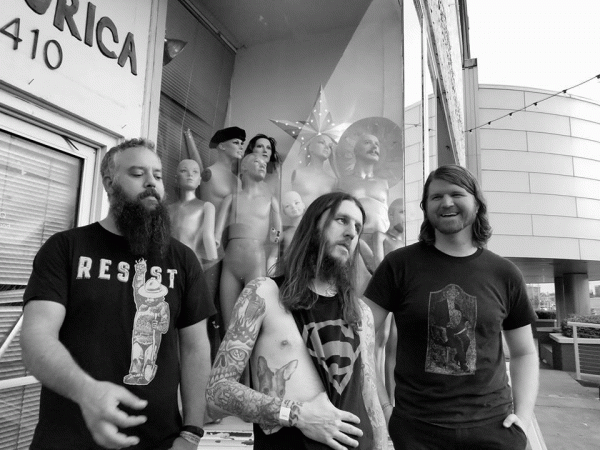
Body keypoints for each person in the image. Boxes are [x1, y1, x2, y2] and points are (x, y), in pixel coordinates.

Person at [21, 138, 215, 450]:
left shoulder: (182, 259)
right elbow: (36, 339)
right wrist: (86, 391)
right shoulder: (65, 248)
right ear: (109, 183)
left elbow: (195, 348)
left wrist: (192, 432)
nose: (151, 182)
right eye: (138, 174)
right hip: (68, 439)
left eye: (157, 175)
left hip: (159, 442)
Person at [363, 164, 539, 450]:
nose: (446, 202)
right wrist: (384, 409)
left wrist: (524, 417)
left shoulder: (504, 273)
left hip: (494, 430)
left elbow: (524, 352)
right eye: (436, 197)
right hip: (416, 432)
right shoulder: (399, 266)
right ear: (426, 207)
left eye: (456, 194)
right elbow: (360, 337)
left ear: (477, 203)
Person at [206, 192, 388, 450]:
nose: (351, 233)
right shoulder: (263, 294)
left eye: (358, 228)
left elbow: (370, 399)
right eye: (341, 220)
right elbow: (217, 392)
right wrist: (296, 414)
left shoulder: (360, 313)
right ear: (313, 225)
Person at [215, 153, 282, 330]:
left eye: (264, 163)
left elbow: (277, 232)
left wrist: (275, 239)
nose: (262, 164)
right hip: (230, 262)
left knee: (251, 323)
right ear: (243, 167)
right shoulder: (231, 199)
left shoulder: (270, 201)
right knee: (228, 322)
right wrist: (214, 244)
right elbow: (217, 232)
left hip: (256, 261)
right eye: (256, 161)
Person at [337, 134, 389, 266]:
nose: (374, 147)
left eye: (377, 144)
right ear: (355, 150)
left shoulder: (384, 183)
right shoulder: (343, 182)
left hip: (381, 244)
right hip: (354, 242)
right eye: (367, 142)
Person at [199, 126, 246, 243]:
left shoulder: (238, 181)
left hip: (231, 239)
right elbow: (204, 208)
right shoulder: (209, 174)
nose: (241, 147)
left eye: (242, 143)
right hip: (211, 237)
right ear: (221, 146)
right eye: (236, 143)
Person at [169, 159, 218, 265]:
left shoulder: (206, 207)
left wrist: (213, 267)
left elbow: (208, 237)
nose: (190, 174)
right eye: (184, 171)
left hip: (192, 263)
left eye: (195, 171)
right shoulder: (168, 210)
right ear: (176, 178)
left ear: (199, 180)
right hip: (169, 263)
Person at [291, 134, 337, 208]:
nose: (327, 147)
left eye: (330, 146)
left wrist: (334, 164)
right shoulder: (298, 173)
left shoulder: (333, 181)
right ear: (310, 147)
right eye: (322, 142)